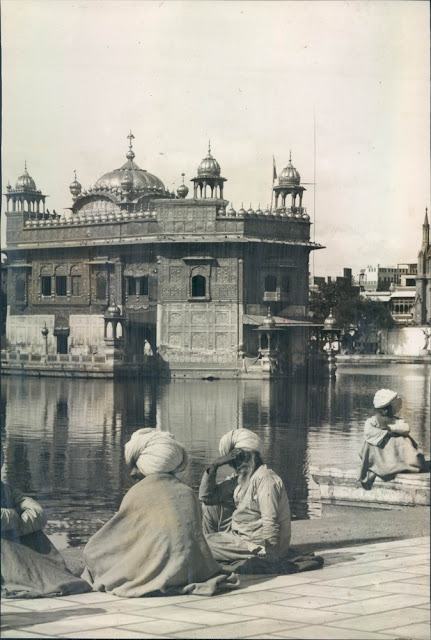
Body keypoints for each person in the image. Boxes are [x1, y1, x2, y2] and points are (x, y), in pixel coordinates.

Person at [82, 428, 239, 597]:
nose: (132, 473)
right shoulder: (187, 492)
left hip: (159, 567)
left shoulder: (138, 492)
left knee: (92, 551)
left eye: (135, 467)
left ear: (142, 467)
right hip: (189, 570)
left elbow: (120, 537)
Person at [199, 429, 323, 574]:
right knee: (209, 508)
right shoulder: (241, 478)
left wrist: (271, 558)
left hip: (258, 545)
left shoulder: (265, 479)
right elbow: (206, 497)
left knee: (199, 545)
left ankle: (212, 555)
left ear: (253, 457)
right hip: (242, 537)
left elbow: (270, 520)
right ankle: (214, 553)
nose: (238, 464)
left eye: (242, 458)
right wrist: (214, 466)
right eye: (233, 460)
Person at [1, 446, 91, 599]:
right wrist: (17, 516)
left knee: (30, 531)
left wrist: (15, 521)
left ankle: (37, 575)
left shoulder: (6, 490)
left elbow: (39, 514)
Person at [358, 389, 427, 488]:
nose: (386, 411)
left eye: (388, 408)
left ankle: (403, 464)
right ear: (379, 410)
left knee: (404, 440)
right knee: (370, 443)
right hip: (381, 455)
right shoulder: (372, 421)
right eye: (383, 409)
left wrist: (389, 428)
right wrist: (387, 433)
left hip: (395, 455)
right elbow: (368, 432)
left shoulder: (396, 420)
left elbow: (406, 428)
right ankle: (384, 466)